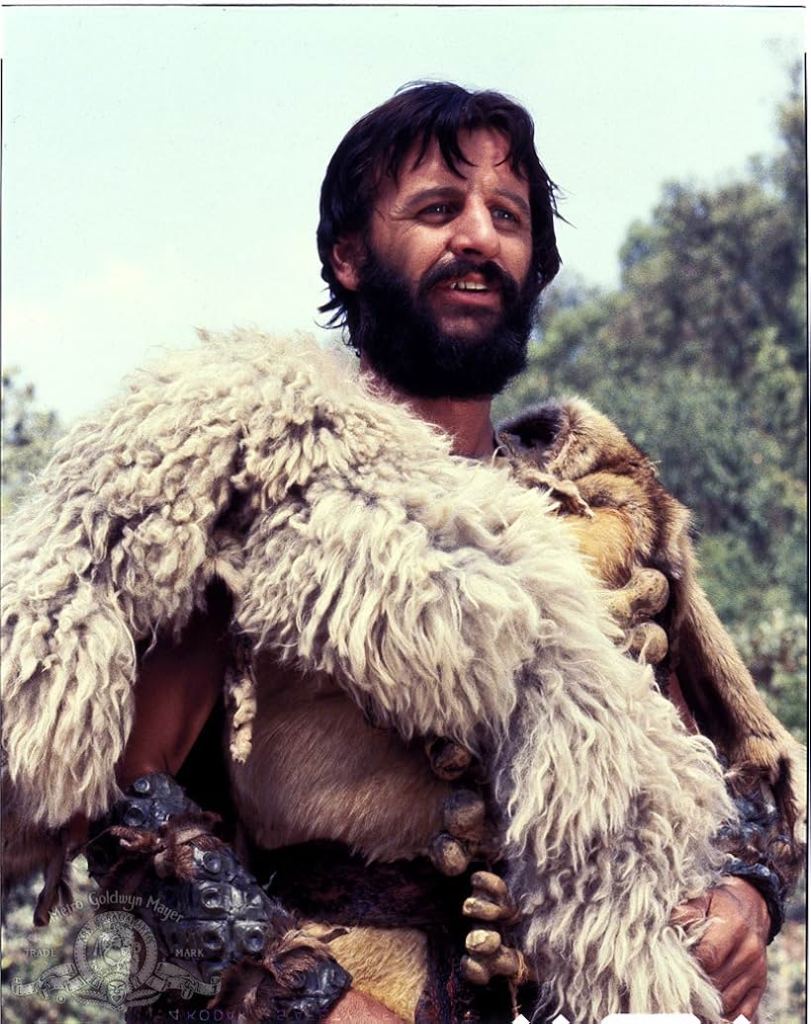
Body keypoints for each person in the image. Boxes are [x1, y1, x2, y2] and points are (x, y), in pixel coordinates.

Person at [2, 82, 804, 1024]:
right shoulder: (251, 478)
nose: (478, 236)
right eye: (436, 209)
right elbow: (125, 806)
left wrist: (745, 895)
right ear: (348, 256)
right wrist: (310, 1002)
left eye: (506, 216)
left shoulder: (604, 501)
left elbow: (734, 764)